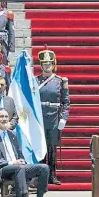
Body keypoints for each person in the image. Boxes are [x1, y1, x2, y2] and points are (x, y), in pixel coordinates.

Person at [0, 109, 54, 197]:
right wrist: (12, 162)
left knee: (44, 168)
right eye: (1, 117)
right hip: (3, 169)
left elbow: (20, 154)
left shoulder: (12, 135)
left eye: (6, 117)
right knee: (20, 168)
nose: (4, 119)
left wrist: (21, 160)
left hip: (18, 167)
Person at [36, 48, 70, 185]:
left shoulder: (59, 81)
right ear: (41, 65)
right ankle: (40, 175)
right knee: (41, 146)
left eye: (49, 63)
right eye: (44, 64)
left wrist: (64, 118)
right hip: (40, 116)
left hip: (54, 117)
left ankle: (52, 174)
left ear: (53, 64)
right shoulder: (35, 80)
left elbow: (66, 102)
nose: (47, 66)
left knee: (52, 147)